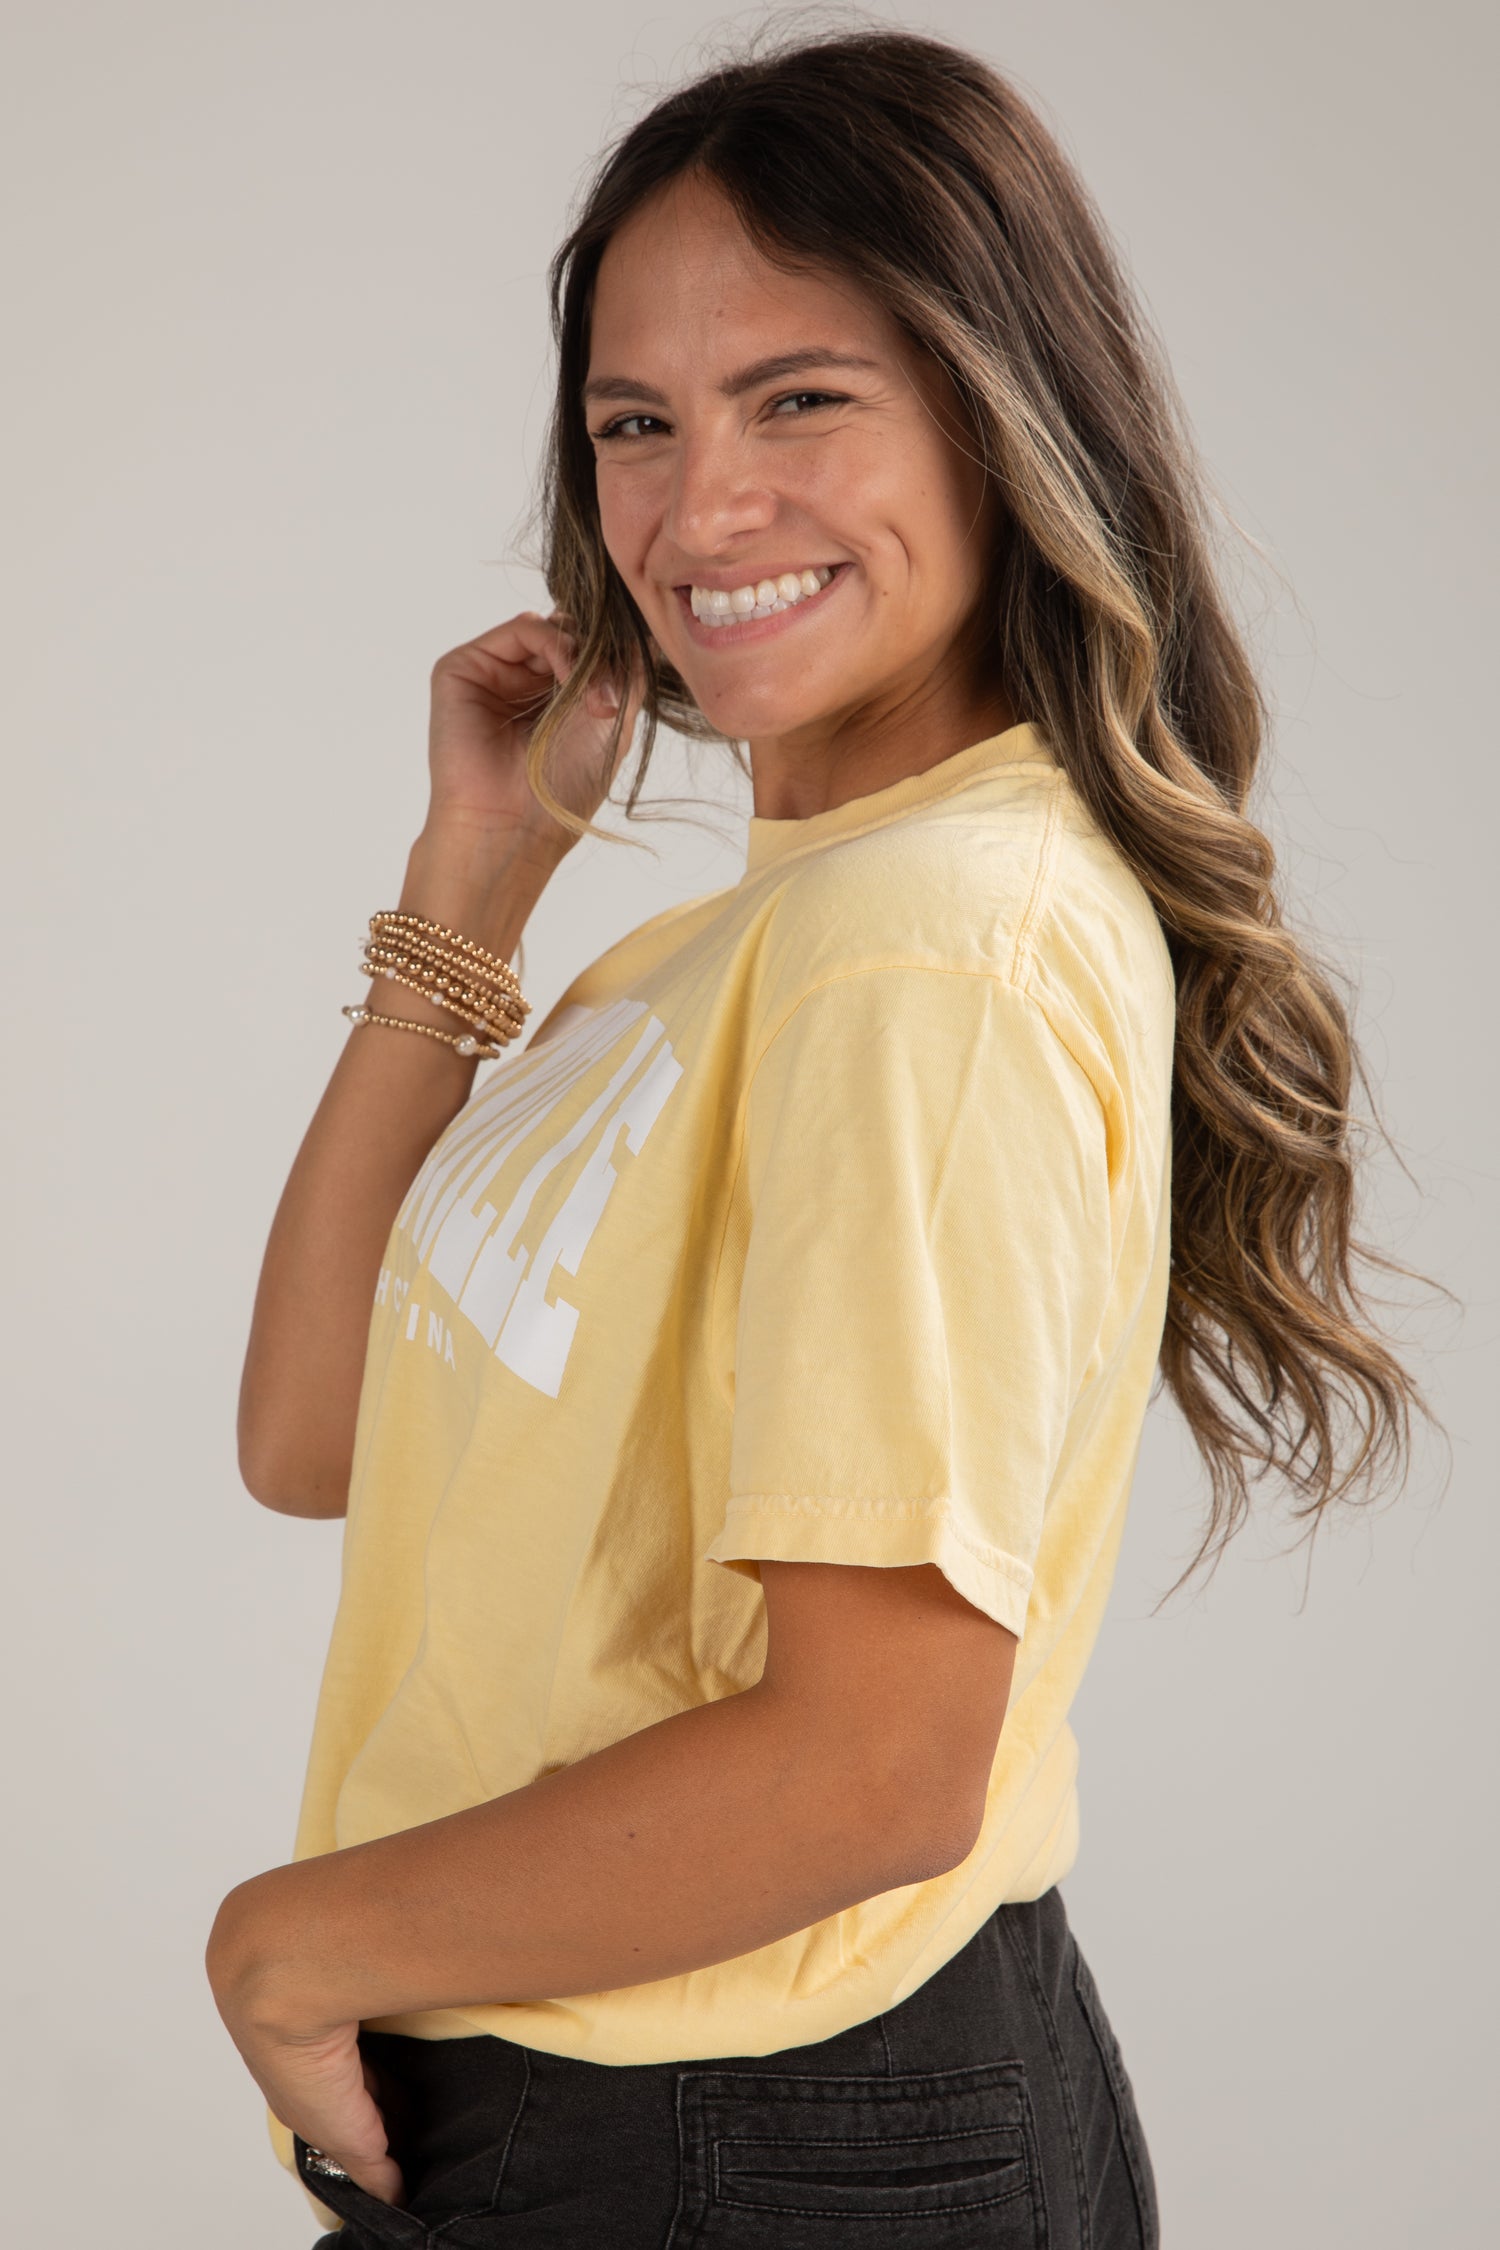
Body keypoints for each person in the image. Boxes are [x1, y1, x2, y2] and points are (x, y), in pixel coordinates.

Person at [207, 27, 1426, 2248]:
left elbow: (874, 1765)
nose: (699, 510)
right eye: (635, 427)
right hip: (648, 2102)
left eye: (802, 399)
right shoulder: (754, 941)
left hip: (728, 2129)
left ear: (1000, 414)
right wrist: (471, 885)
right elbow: (317, 1429)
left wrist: (288, 1946)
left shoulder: (924, 949)